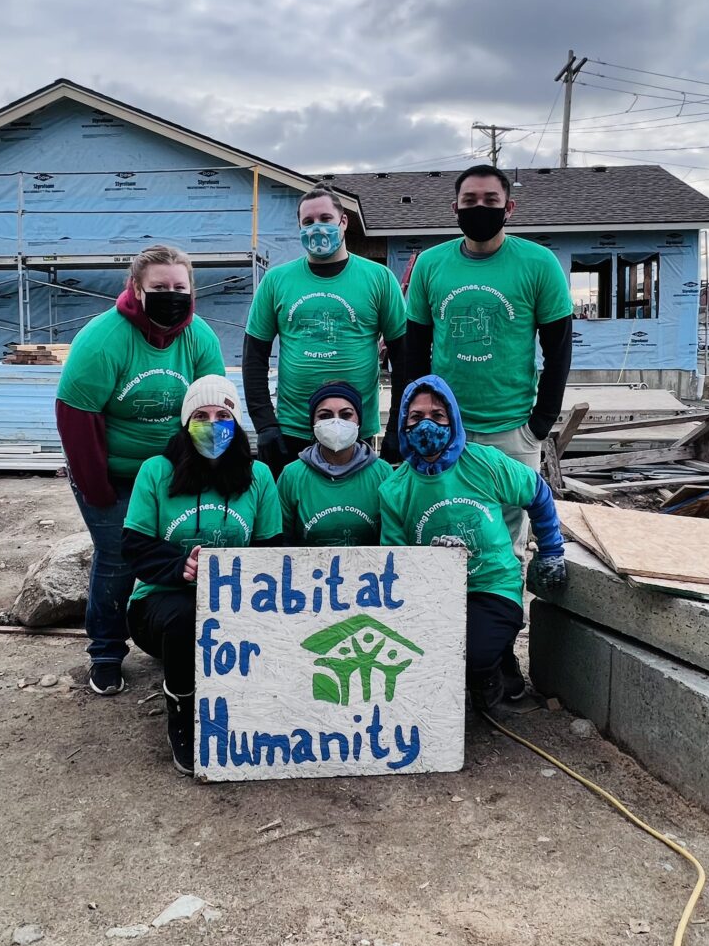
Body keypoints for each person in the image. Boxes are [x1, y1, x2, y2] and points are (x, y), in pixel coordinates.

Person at [55, 244, 226, 697]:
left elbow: (212, 405)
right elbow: (76, 416)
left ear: (191, 288)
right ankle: (107, 651)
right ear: (136, 288)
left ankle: (172, 632)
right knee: (118, 554)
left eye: (179, 287)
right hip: (109, 467)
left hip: (172, 467)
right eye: (159, 288)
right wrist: (97, 487)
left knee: (176, 549)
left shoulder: (200, 338)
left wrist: (206, 472)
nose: (171, 294)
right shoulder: (104, 338)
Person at [121, 375, 283, 774]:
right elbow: (135, 545)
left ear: (237, 421)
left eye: (223, 414)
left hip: (239, 598)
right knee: (185, 619)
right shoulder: (156, 472)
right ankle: (183, 709)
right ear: (184, 421)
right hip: (162, 601)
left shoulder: (258, 476)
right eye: (201, 415)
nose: (213, 424)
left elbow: (272, 547)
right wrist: (181, 566)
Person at [379, 374, 567, 711]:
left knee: (474, 656)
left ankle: (490, 674)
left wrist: (551, 552)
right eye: (416, 417)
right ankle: (494, 662)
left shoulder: (485, 462)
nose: (427, 425)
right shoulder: (395, 489)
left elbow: (538, 493)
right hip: (434, 593)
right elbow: (396, 561)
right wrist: (429, 561)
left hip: (492, 583)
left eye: (438, 416)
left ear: (453, 418)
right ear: (403, 423)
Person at [402, 164, 572, 534]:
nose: (480, 207)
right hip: (443, 426)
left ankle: (506, 594)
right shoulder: (431, 264)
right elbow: (414, 349)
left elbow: (558, 349)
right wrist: (415, 419)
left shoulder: (539, 264)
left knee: (509, 541)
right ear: (455, 209)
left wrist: (540, 423)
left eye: (490, 200)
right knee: (441, 529)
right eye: (470, 200)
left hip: (512, 429)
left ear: (508, 208)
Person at [243, 185, 406, 474]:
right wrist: (265, 424)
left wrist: (396, 426)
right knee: (290, 515)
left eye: (325, 219)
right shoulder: (275, 281)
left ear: (343, 222)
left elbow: (404, 360)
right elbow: (254, 358)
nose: (316, 227)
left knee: (353, 513)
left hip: (354, 427)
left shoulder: (379, 278)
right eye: (308, 222)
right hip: (292, 430)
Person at [275, 380, 392, 545]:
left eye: (346, 415)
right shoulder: (291, 476)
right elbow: (282, 542)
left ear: (359, 421)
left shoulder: (383, 473)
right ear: (313, 424)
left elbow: (393, 538)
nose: (336, 422)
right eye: (325, 416)